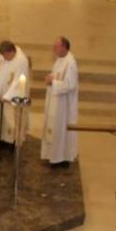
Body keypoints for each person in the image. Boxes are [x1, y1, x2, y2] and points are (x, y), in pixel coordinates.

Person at [41, 36, 79, 168]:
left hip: (64, 106)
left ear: (64, 47)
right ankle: (53, 155)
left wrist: (53, 82)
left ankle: (60, 159)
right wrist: (50, 79)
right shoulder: (60, 60)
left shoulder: (70, 63)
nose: (53, 49)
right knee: (54, 129)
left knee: (60, 131)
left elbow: (70, 84)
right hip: (55, 102)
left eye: (56, 46)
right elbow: (56, 76)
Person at [0, 40, 29, 148]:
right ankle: (1, 139)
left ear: (11, 52)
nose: (4, 59)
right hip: (0, 90)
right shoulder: (3, 54)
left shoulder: (21, 61)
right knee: (0, 117)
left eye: (6, 56)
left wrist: (7, 97)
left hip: (12, 95)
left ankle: (11, 142)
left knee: (11, 120)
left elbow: (17, 82)